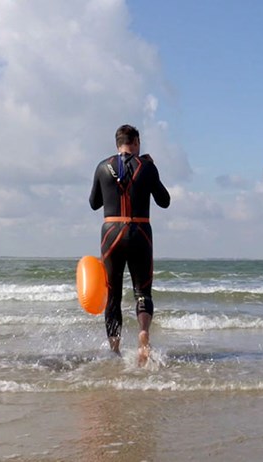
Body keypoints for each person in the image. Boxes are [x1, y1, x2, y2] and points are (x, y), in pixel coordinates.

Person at [89, 124, 170, 365]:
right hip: (140, 232)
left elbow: (94, 203)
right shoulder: (146, 167)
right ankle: (143, 333)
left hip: (111, 233)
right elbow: (164, 201)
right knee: (143, 292)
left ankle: (114, 350)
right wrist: (150, 169)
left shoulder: (102, 166)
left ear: (117, 143)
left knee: (113, 295)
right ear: (134, 142)